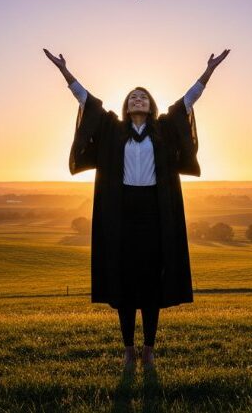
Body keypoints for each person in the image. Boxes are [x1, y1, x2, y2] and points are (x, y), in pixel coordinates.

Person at [43, 47, 230, 371]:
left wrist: (209, 71)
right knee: (125, 282)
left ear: (150, 104)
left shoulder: (163, 129)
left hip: (156, 213)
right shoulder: (114, 130)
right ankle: (128, 348)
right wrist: (64, 71)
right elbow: (87, 101)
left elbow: (188, 101)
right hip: (121, 213)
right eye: (133, 96)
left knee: (152, 285)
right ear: (127, 106)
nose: (138, 99)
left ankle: (149, 349)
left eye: (143, 96)